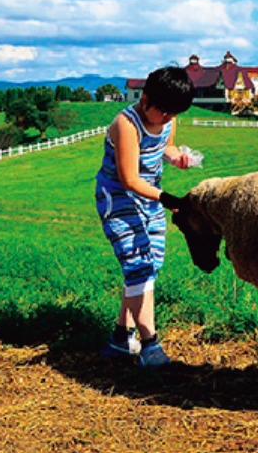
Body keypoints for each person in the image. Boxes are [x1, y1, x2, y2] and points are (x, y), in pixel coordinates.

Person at [94, 65, 196, 367]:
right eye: (164, 111)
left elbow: (167, 146)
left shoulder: (168, 118)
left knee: (148, 266)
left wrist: (177, 157)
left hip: (150, 199)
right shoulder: (126, 124)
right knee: (139, 265)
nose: (168, 118)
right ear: (147, 98)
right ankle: (150, 345)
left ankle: (119, 339)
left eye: (174, 113)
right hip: (120, 200)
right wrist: (168, 199)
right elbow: (129, 179)